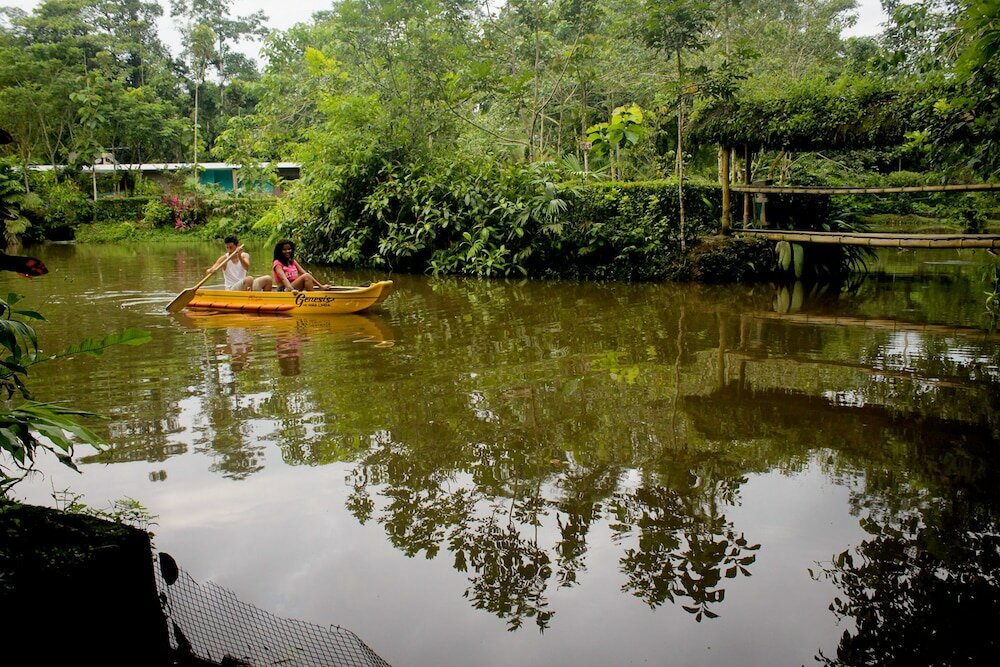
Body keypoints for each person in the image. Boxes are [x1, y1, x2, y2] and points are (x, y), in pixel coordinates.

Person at [207, 236, 272, 291]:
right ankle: (248, 301)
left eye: (231, 247)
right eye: (227, 248)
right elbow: (212, 269)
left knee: (268, 279)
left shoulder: (245, 255)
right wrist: (211, 270)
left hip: (245, 284)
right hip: (231, 289)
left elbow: (246, 267)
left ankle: (266, 301)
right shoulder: (224, 258)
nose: (229, 250)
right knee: (249, 279)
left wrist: (239, 256)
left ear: (237, 245)